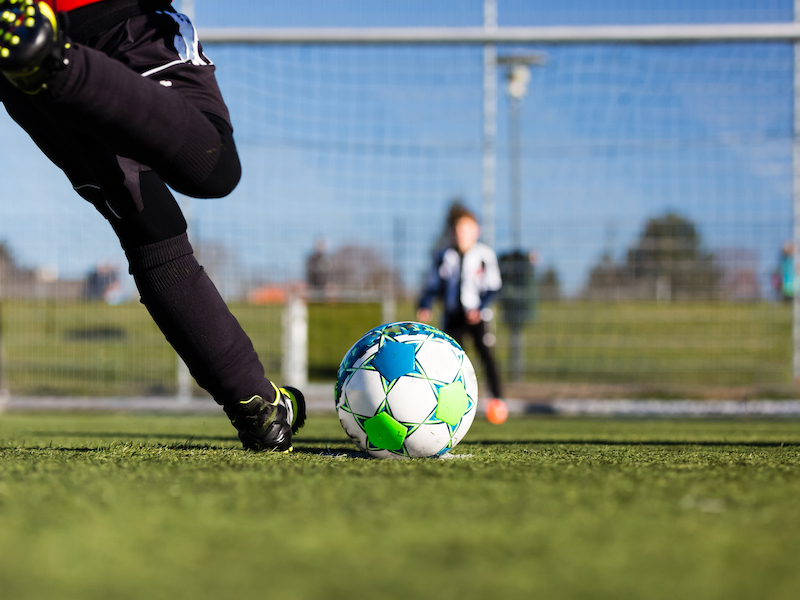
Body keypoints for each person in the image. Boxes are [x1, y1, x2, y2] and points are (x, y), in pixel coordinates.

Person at [0, 0, 305, 451]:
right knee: (213, 164)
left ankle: (258, 404)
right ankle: (56, 61)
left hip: (18, 58)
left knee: (150, 227)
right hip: (118, 23)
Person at [416, 203, 507, 422]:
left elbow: (493, 287)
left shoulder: (484, 255)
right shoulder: (444, 256)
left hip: (477, 317)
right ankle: (452, 404)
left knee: (486, 355)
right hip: (452, 316)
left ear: (477, 231)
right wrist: (425, 304)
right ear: (451, 232)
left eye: (466, 229)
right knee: (451, 360)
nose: (461, 234)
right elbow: (433, 285)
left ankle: (497, 400)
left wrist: (480, 308)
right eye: (457, 230)